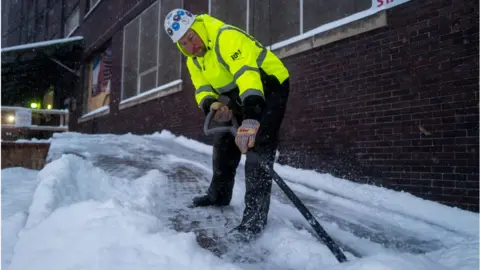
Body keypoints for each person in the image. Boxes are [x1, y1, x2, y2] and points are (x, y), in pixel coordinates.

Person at [164, 8, 290, 239]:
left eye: (191, 38)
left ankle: (254, 219)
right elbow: (202, 89)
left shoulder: (225, 36)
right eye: (183, 44)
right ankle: (218, 195)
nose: (191, 47)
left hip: (268, 83)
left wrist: (251, 120)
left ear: (198, 27)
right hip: (236, 91)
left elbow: (247, 77)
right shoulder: (194, 59)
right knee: (224, 140)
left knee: (257, 144)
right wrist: (210, 104)